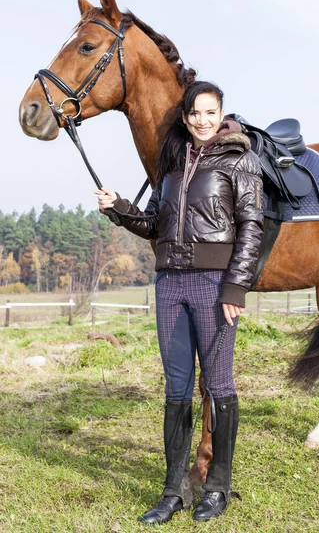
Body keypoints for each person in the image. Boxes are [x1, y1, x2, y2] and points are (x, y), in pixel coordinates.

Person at [95, 81, 263, 525]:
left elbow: (251, 228)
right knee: (175, 388)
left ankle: (218, 486)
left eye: (211, 112)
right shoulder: (170, 161)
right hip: (170, 285)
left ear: (221, 112)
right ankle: (175, 490)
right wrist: (119, 207)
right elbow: (154, 223)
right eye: (195, 114)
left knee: (220, 384)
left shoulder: (240, 160)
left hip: (213, 284)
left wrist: (235, 288)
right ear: (185, 117)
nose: (203, 121)